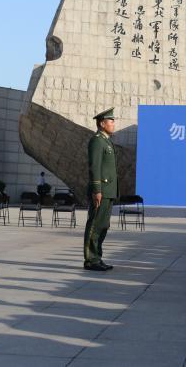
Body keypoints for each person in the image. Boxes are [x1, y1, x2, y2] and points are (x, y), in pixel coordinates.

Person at [83, 108, 118, 272]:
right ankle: (90, 260)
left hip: (108, 191)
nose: (113, 124)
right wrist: (97, 189)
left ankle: (97, 257)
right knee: (95, 225)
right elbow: (94, 167)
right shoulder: (97, 141)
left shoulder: (107, 141)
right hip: (101, 190)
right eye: (111, 121)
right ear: (102, 123)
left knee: (103, 225)